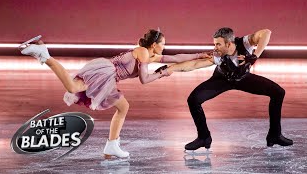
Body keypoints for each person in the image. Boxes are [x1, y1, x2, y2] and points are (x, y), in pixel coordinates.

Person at [19, 29, 211, 159]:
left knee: (122, 107)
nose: (164, 47)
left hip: (110, 75)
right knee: (73, 87)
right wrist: (163, 72)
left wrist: (197, 55)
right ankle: (45, 54)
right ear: (154, 44)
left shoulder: (149, 53)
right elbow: (144, 80)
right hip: (106, 73)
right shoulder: (143, 53)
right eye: (162, 43)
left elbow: (176, 57)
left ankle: (112, 145)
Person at [162, 27, 293, 151]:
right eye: (215, 44)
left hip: (243, 79)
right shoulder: (217, 55)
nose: (215, 47)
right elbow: (194, 64)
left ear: (229, 44)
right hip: (221, 80)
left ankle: (274, 135)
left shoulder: (245, 43)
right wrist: (169, 69)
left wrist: (254, 56)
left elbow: (266, 32)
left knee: (278, 92)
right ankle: (204, 137)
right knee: (193, 100)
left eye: (218, 44)